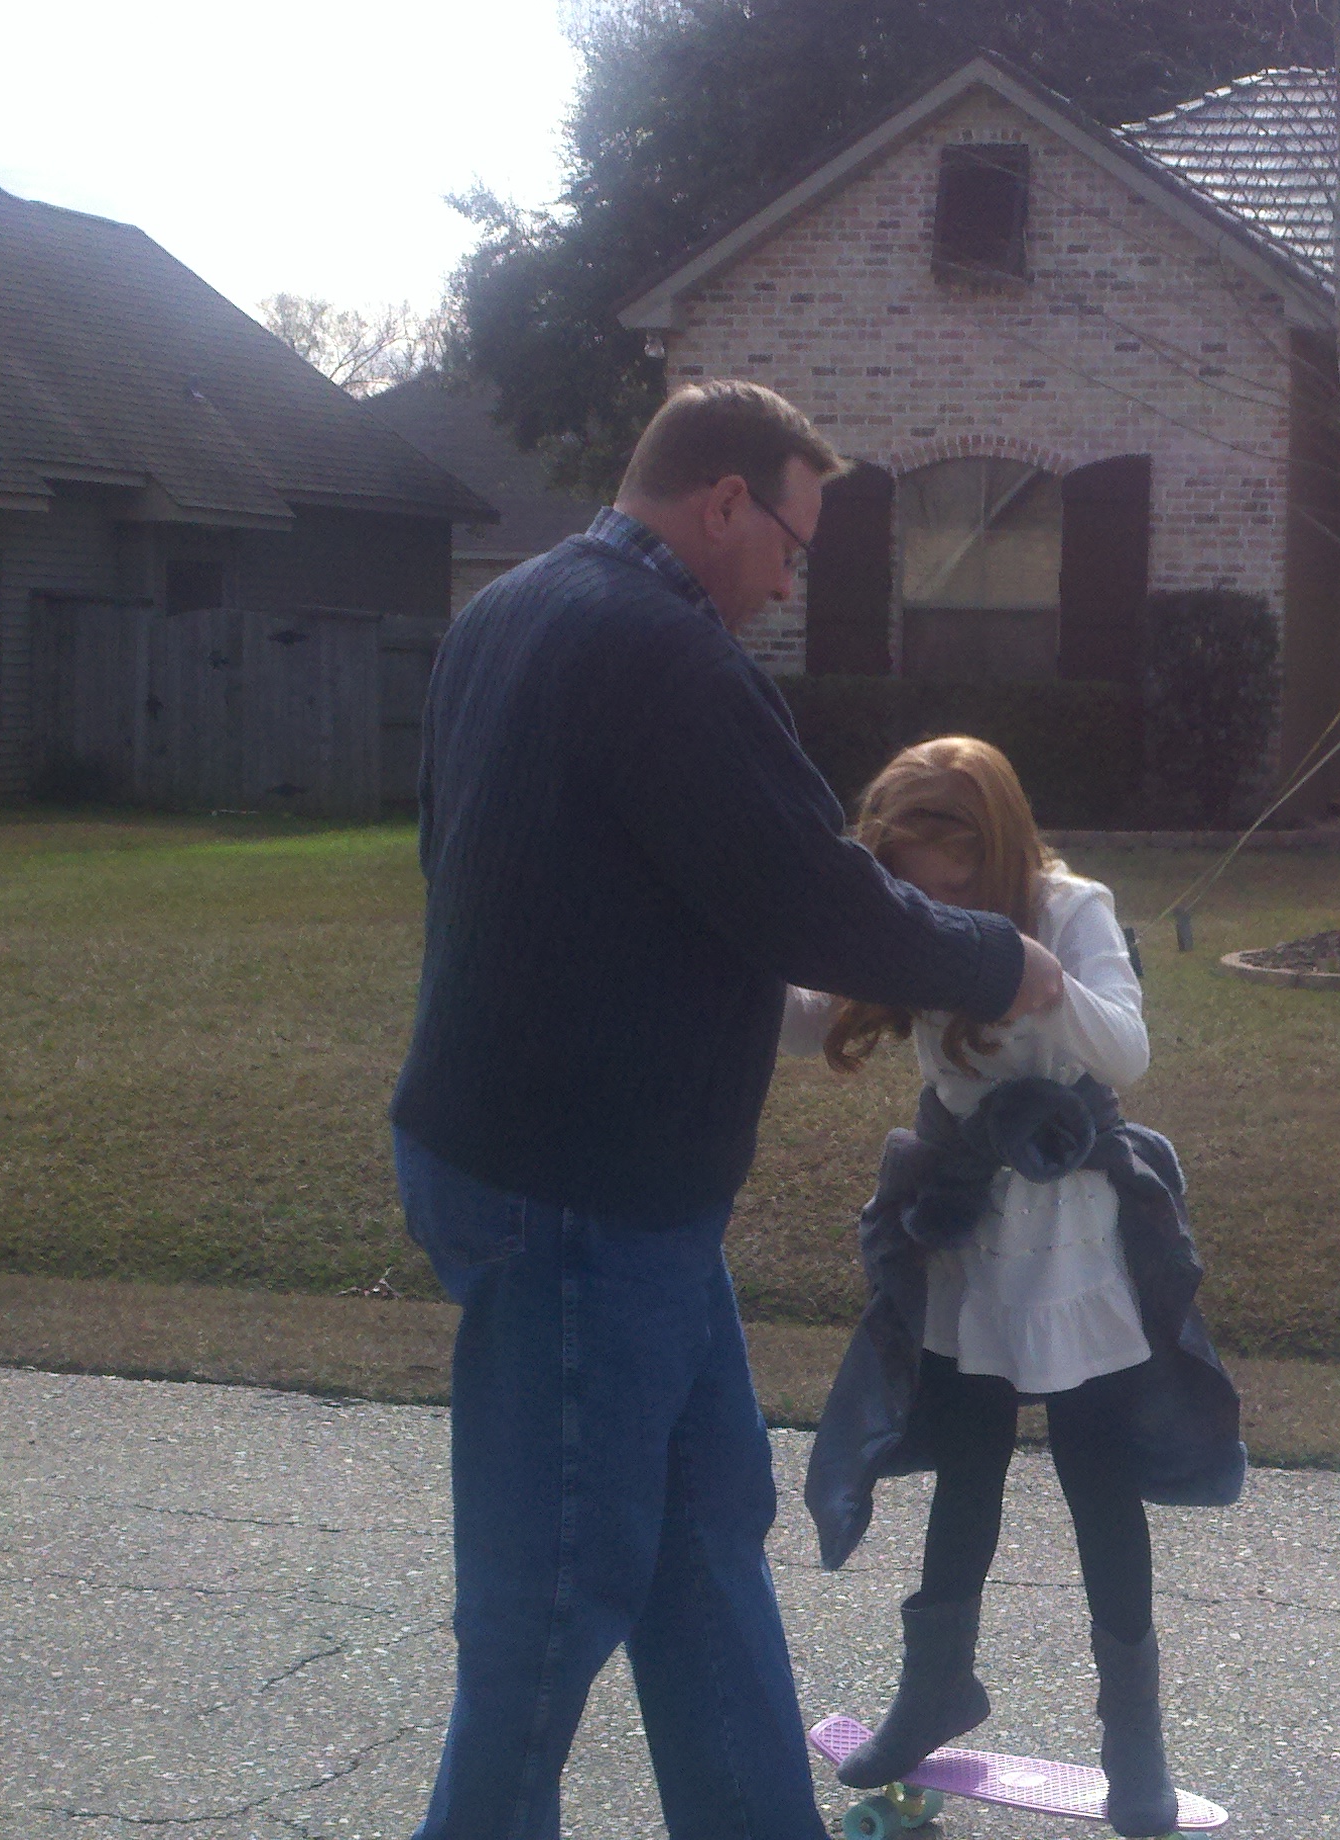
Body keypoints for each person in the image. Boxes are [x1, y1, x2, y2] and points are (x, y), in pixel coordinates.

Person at [388, 381, 1066, 1840]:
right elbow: (811, 899)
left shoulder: (508, 611)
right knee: (551, 1605)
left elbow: (469, 852)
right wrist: (997, 958)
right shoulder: (663, 652)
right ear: (723, 503)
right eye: (790, 544)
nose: (788, 581)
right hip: (579, 1193)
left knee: (703, 1539)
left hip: (575, 1178)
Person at [785, 738, 1244, 1839]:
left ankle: (1135, 1743)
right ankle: (937, 1689)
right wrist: (719, 954)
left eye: (948, 878)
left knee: (1099, 1481)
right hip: (971, 1234)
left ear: (990, 845)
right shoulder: (911, 918)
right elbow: (809, 1019)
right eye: (911, 881)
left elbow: (1125, 1050)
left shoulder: (1071, 907)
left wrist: (1038, 976)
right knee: (967, 1469)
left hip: (1075, 1240)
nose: (933, 901)